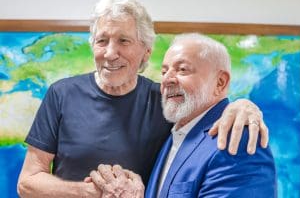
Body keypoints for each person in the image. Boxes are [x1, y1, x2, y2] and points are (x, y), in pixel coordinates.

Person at [17, 0, 268, 197]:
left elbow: (205, 110)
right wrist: (90, 193)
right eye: (102, 41)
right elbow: (27, 183)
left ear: (145, 52)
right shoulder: (61, 94)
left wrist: (242, 105)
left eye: (123, 41)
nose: (110, 53)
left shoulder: (166, 101)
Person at [89, 33, 276, 197]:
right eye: (164, 71)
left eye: (182, 69)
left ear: (220, 82)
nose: (167, 80)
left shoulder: (236, 140)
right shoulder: (174, 134)